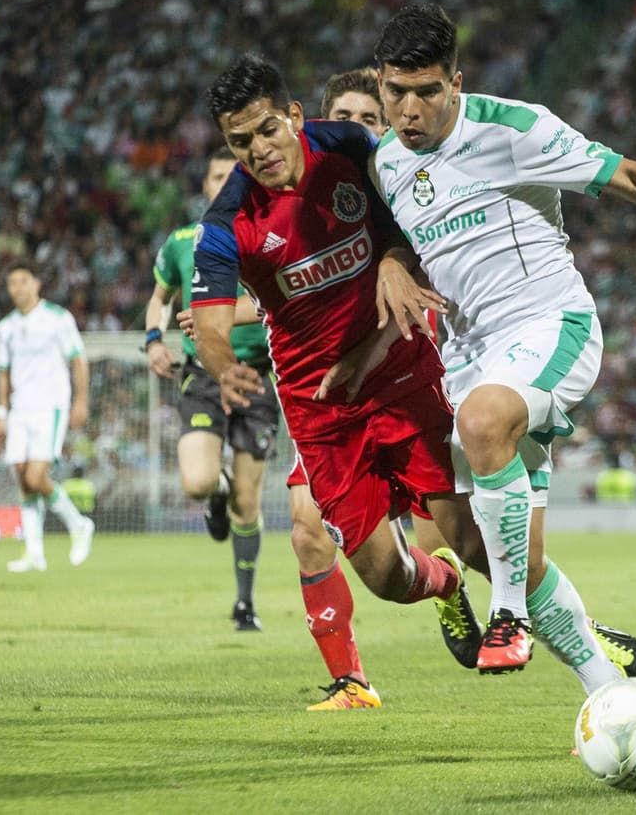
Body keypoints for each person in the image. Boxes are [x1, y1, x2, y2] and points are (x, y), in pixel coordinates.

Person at [368, 3, 636, 679]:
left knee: (482, 425)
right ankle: (608, 687)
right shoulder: (387, 163)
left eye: (427, 91)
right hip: (469, 357)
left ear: (457, 84)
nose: (408, 109)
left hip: (548, 326)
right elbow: (409, 242)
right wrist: (391, 262)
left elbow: (630, 178)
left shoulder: (513, 128)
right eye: (394, 92)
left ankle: (506, 616)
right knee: (486, 547)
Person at [192, 54, 478, 710]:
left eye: (267, 130)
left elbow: (420, 233)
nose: (258, 150)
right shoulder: (228, 221)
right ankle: (435, 593)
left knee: (464, 524)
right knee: (372, 566)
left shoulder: (357, 153)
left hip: (404, 370)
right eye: (241, 141)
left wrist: (396, 262)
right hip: (323, 404)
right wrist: (221, 365)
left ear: (295, 118)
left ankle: (581, 637)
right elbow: (207, 318)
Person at [145, 148, 276, 631]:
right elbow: (159, 298)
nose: (225, 183)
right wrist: (154, 338)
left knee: (249, 501)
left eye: (234, 176)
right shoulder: (182, 241)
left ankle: (245, 603)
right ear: (204, 185)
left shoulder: (266, 234)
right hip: (203, 373)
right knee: (197, 483)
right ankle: (214, 496)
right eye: (217, 176)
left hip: (258, 373)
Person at [0, 259, 96, 572]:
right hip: (19, 408)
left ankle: (78, 525)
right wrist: (1, 413)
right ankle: (34, 553)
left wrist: (81, 401)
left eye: (23, 281)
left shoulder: (57, 318)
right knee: (22, 478)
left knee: (37, 477)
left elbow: (78, 360)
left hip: (50, 406)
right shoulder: (6, 326)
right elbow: (4, 372)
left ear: (37, 284)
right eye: (13, 283)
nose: (18, 288)